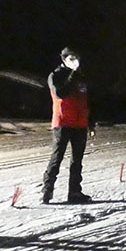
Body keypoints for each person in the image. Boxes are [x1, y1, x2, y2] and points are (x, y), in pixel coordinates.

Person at [42, 47, 93, 203]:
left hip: (80, 123)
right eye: (71, 58)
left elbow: (87, 100)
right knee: (57, 157)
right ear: (64, 60)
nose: (74, 61)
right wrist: (72, 74)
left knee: (77, 160)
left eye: (76, 58)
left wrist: (91, 122)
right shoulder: (56, 76)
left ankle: (75, 192)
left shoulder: (82, 77)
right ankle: (47, 190)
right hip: (63, 122)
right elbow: (60, 93)